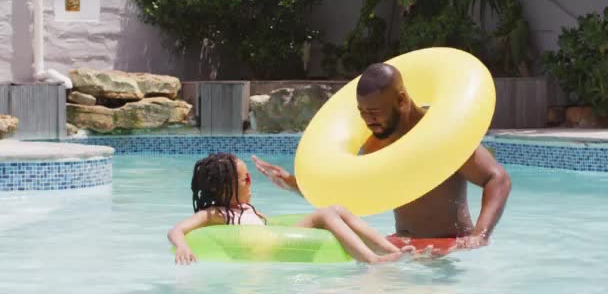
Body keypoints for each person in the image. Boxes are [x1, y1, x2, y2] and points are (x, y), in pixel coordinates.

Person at [252, 62, 512, 252]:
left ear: (401, 100)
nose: (368, 120)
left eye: (375, 112)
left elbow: (497, 178)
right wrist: (294, 184)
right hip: (403, 244)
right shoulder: (376, 143)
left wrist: (480, 235)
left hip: (448, 248)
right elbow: (354, 197)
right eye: (362, 112)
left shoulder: (442, 135)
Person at [168, 153, 416, 265]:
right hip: (269, 247)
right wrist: (182, 245)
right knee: (326, 213)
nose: (251, 183)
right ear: (225, 188)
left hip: (272, 239)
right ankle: (372, 259)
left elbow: (271, 226)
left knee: (337, 208)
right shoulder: (216, 214)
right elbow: (177, 229)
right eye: (246, 179)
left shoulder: (247, 209)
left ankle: (389, 248)